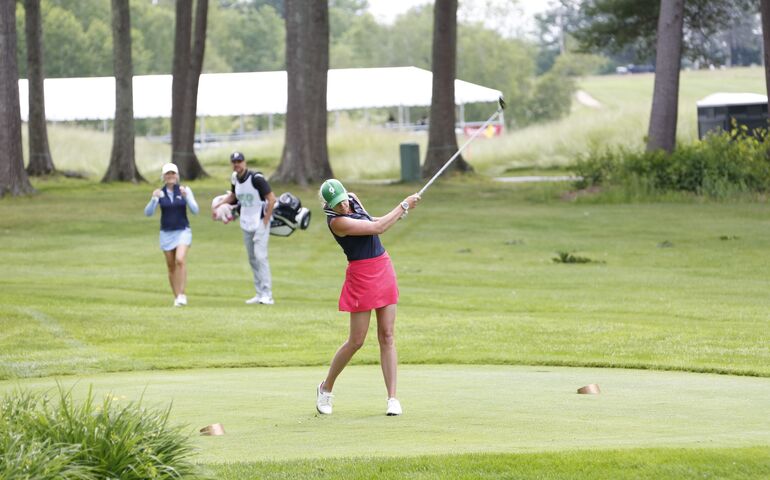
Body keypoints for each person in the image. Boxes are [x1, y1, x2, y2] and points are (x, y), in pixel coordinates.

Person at [316, 179, 420, 416]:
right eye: (337, 204)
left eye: (342, 199)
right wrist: (403, 206)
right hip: (361, 275)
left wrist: (394, 215)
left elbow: (371, 220)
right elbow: (377, 229)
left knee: (387, 335)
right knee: (357, 341)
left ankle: (392, 398)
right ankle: (325, 388)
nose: (343, 205)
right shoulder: (337, 222)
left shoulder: (352, 198)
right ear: (328, 205)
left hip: (382, 267)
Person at [212, 151, 276, 305]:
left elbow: (271, 199)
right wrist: (218, 205)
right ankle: (259, 293)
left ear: (244, 162)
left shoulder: (257, 179)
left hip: (260, 222)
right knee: (252, 259)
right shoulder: (235, 178)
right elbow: (234, 196)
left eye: (239, 161)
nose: (237, 164)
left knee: (261, 257)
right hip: (246, 223)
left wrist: (265, 221)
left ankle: (267, 294)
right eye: (234, 162)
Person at [144, 163, 199, 307]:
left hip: (182, 231)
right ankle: (177, 297)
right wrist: (153, 199)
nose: (170, 176)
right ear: (163, 176)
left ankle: (182, 294)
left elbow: (195, 210)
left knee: (180, 260)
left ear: (177, 175)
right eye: (168, 174)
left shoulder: (184, 190)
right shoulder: (159, 193)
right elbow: (148, 213)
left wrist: (186, 197)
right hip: (166, 233)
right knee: (171, 266)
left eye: (173, 173)